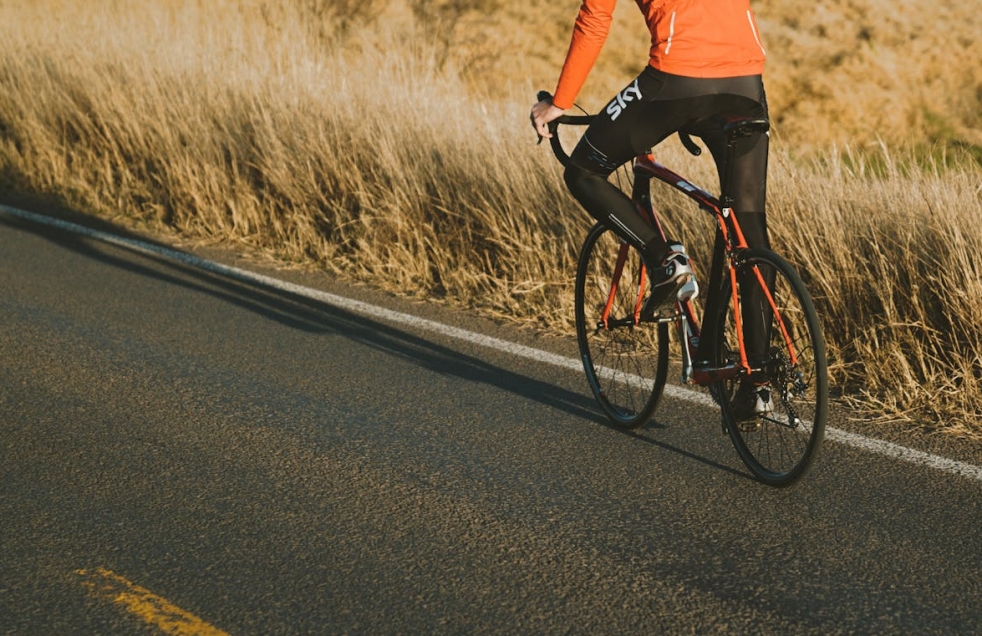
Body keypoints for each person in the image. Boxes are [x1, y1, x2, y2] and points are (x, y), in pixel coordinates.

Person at [530, 0, 773, 424]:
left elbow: (594, 19)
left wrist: (561, 102)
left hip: (676, 79)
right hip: (745, 82)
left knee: (583, 171)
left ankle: (665, 262)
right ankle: (759, 383)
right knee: (746, 223)